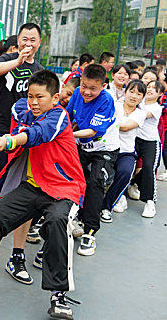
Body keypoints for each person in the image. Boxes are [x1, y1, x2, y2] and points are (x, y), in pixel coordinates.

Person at [0, 70, 85, 320]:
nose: (34, 101)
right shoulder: (23, 109)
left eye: (40, 97)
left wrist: (10, 141)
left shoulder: (58, 117)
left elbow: (37, 134)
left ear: (55, 98)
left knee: (57, 223)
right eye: (31, 96)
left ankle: (58, 294)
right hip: (34, 186)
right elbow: (14, 111)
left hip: (64, 190)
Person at [0, 23, 44, 285]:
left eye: (33, 39)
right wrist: (17, 59)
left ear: (40, 43)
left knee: (22, 183)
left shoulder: (40, 71)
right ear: (17, 41)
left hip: (25, 136)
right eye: (24, 38)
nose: (28, 42)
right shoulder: (9, 59)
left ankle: (14, 237)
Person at [66, 64, 118, 256]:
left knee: (95, 182)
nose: (87, 92)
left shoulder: (106, 100)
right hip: (82, 145)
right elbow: (67, 115)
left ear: (103, 86)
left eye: (93, 88)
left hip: (104, 148)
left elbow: (93, 131)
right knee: (70, 177)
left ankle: (90, 232)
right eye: (84, 86)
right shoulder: (78, 93)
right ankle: (71, 219)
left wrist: (67, 135)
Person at [100, 80, 146, 220]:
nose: (134, 96)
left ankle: (106, 207)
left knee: (126, 173)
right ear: (125, 92)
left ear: (142, 98)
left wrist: (111, 122)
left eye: (139, 94)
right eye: (131, 91)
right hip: (107, 149)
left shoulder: (140, 114)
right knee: (97, 176)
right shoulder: (115, 106)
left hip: (126, 152)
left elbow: (125, 127)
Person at [131, 80, 165, 218]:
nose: (150, 89)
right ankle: (125, 190)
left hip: (150, 142)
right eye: (148, 87)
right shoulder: (139, 103)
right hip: (134, 139)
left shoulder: (157, 107)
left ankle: (150, 201)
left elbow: (142, 115)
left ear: (160, 94)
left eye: (154, 89)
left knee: (148, 167)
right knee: (127, 166)